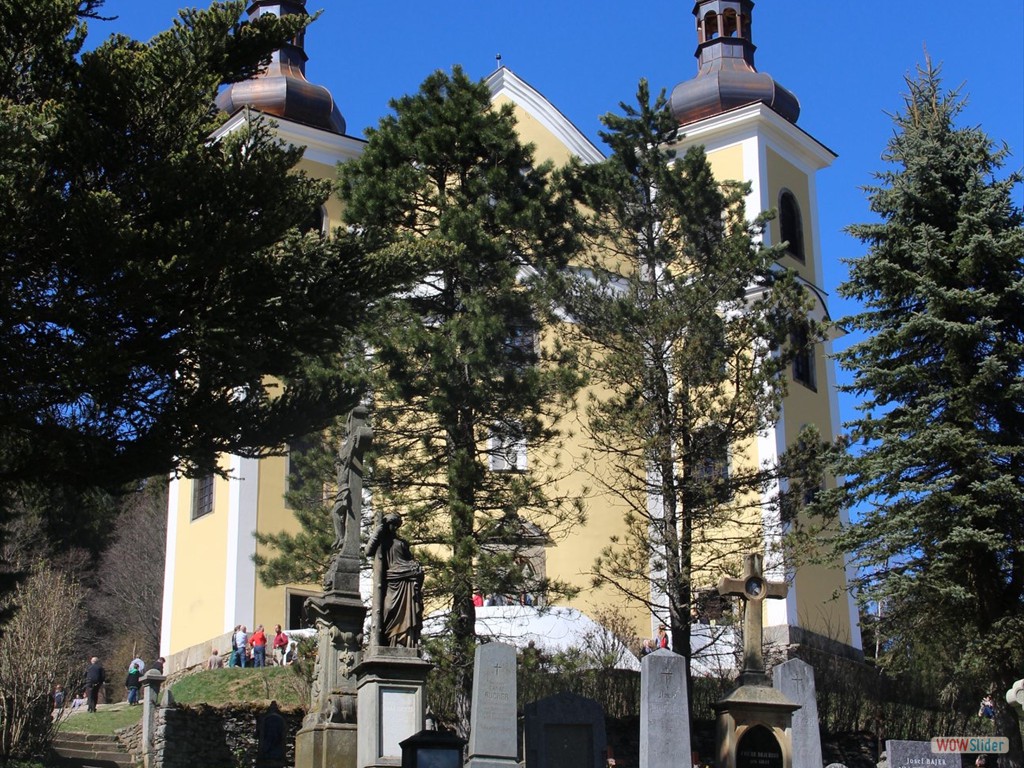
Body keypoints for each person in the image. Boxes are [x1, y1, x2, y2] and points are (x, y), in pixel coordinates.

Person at [363, 513, 424, 647]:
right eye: (391, 524)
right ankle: (388, 640)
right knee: (388, 609)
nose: (393, 528)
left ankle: (402, 641)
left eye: (395, 525)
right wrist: (376, 533)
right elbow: (367, 551)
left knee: (406, 611)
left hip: (406, 580)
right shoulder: (381, 542)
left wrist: (414, 568)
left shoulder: (402, 543)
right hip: (392, 581)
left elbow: (408, 560)